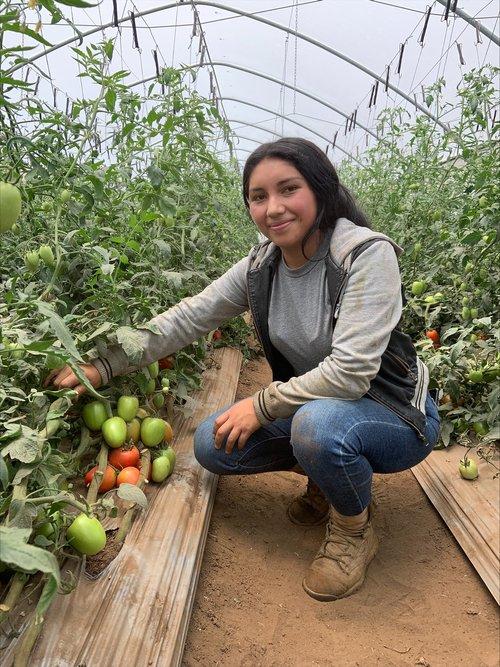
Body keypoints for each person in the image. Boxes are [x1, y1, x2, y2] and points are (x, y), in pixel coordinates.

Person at [48, 138, 440, 602]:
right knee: (213, 445)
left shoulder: (363, 255)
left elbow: (351, 374)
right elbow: (192, 315)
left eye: (288, 189)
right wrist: (105, 364)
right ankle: (333, 479)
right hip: (323, 406)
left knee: (318, 426)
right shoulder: (262, 266)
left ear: (320, 190)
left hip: (393, 414)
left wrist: (262, 404)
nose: (273, 208)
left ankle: (353, 529)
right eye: (258, 197)